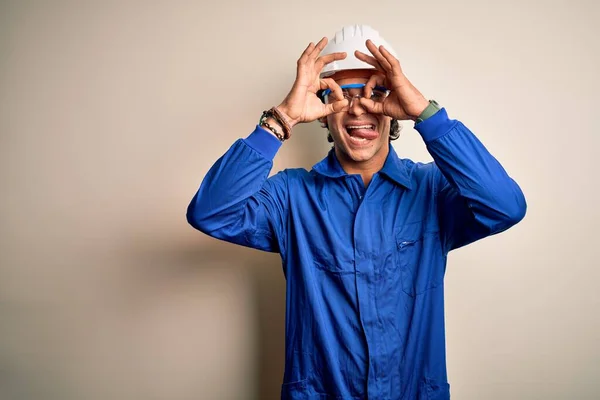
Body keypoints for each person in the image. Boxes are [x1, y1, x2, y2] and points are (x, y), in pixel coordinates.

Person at [187, 25, 526, 400]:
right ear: (322, 112)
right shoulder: (291, 196)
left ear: (394, 104)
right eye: (342, 96)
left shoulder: (431, 191)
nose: (358, 108)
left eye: (375, 92)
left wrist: (426, 114)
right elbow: (211, 212)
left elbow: (505, 206)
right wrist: (281, 118)